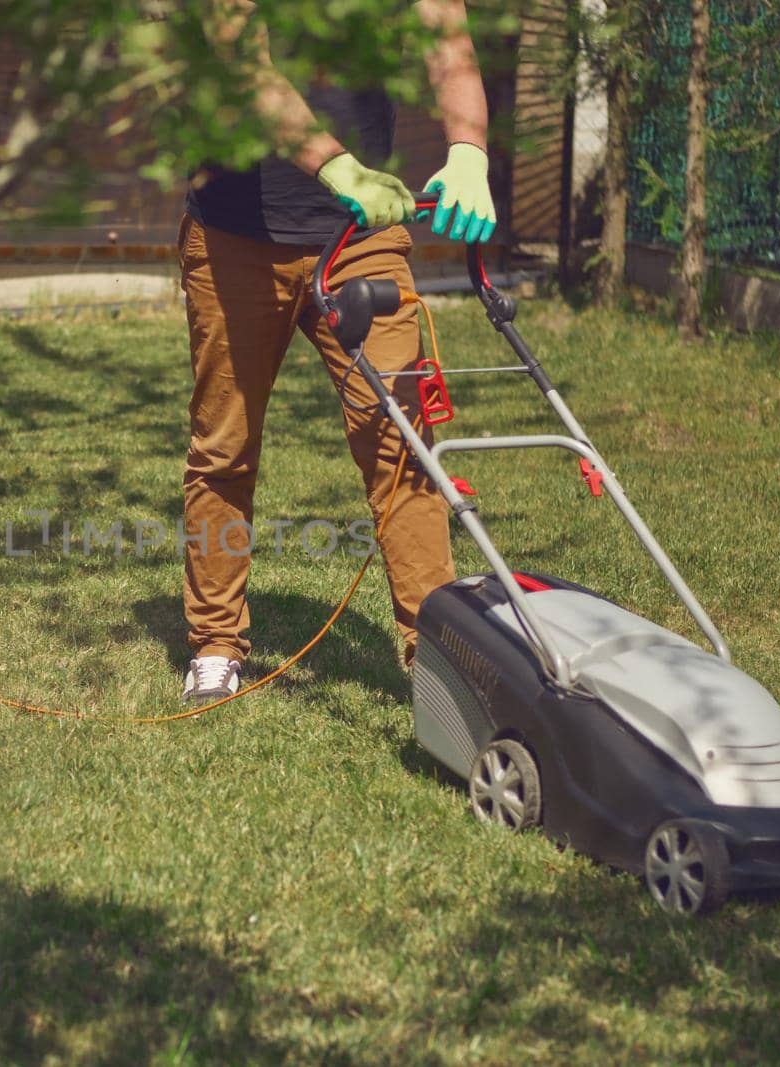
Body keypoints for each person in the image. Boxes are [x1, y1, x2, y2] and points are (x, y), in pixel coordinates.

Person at [179, 0, 497, 704]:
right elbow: (242, 62)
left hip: (364, 231)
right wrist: (337, 166)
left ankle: (433, 652)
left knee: (402, 441)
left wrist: (470, 152)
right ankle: (217, 641)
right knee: (224, 445)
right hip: (235, 232)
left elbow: (449, 44)